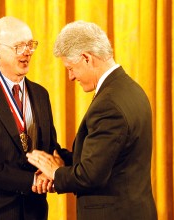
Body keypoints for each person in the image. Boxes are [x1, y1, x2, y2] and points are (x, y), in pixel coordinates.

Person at [26, 20, 158, 220]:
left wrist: (56, 173)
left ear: (86, 58)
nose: (70, 77)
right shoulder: (130, 89)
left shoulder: (109, 104)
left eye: (71, 68)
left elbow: (90, 176)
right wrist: (65, 161)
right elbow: (107, 156)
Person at [0, 16, 69, 220]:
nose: (27, 52)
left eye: (30, 45)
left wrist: (61, 166)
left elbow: (50, 148)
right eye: (18, 46)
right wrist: (31, 181)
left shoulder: (41, 94)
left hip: (33, 212)